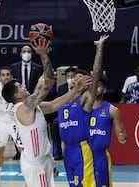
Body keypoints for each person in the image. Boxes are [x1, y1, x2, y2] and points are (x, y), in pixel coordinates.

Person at [2, 40, 92, 187]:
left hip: (42, 158)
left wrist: (75, 91)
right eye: (20, 86)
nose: (24, 85)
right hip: (36, 164)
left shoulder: (31, 107)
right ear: (17, 96)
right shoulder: (23, 108)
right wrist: (44, 55)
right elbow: (48, 83)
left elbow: (54, 105)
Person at [57, 35, 108, 187]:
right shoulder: (63, 99)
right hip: (67, 152)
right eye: (74, 77)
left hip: (81, 150)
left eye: (80, 78)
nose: (75, 80)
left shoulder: (86, 99)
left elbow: (97, 72)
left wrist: (99, 48)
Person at [89, 74, 128, 187]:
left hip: (100, 158)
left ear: (104, 89)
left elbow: (122, 138)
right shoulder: (81, 109)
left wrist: (123, 137)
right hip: (82, 156)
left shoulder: (112, 111)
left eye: (99, 85)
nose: (95, 88)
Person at [0, 66, 21, 187]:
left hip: (15, 121)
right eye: (3, 75)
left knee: (23, 151)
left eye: (8, 74)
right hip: (0, 122)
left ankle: (28, 177)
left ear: (11, 76)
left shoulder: (17, 87)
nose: (6, 77)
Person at [10, 45, 43, 159]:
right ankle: (20, 152)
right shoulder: (14, 67)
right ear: (20, 53)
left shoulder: (38, 68)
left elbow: (53, 104)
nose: (26, 53)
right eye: (24, 51)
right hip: (21, 102)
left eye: (29, 51)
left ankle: (32, 151)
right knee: (18, 128)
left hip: (33, 100)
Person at [52, 66, 77, 160]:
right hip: (64, 114)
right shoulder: (62, 88)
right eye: (68, 77)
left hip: (77, 114)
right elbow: (57, 103)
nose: (70, 79)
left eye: (72, 76)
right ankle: (58, 152)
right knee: (55, 123)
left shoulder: (80, 88)